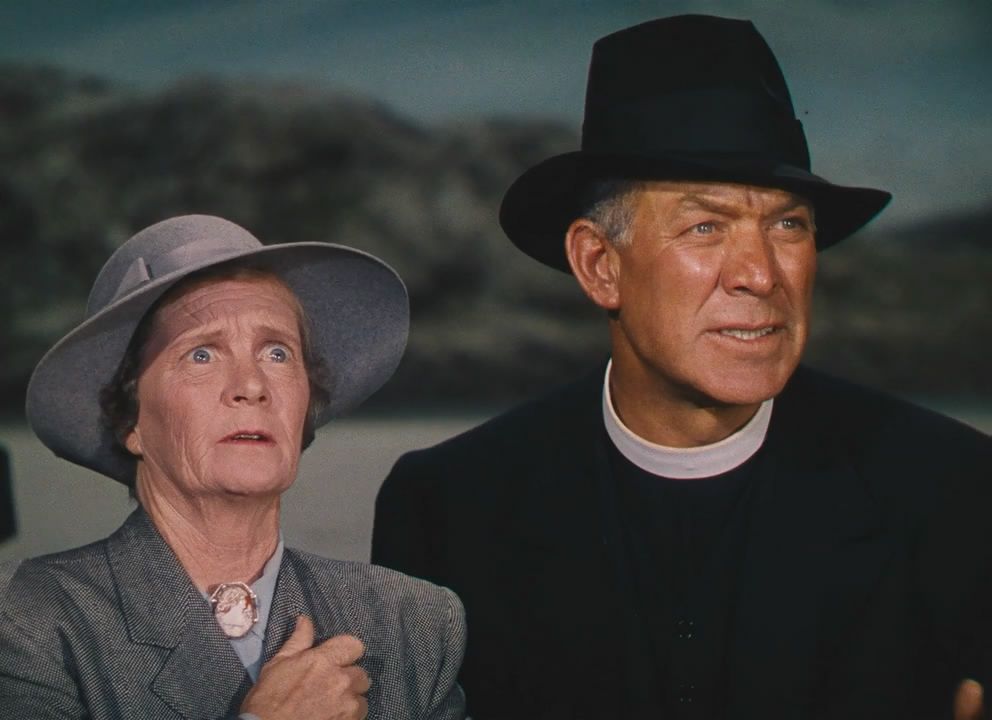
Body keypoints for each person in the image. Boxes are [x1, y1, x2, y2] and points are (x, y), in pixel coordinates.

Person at [371, 14, 992, 720]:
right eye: (705, 227)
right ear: (599, 265)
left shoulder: (955, 491)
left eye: (788, 224)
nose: (761, 274)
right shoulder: (447, 510)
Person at [0, 214, 466, 719]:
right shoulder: (28, 618)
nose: (252, 385)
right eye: (202, 355)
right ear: (130, 420)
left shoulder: (412, 622)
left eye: (277, 353)